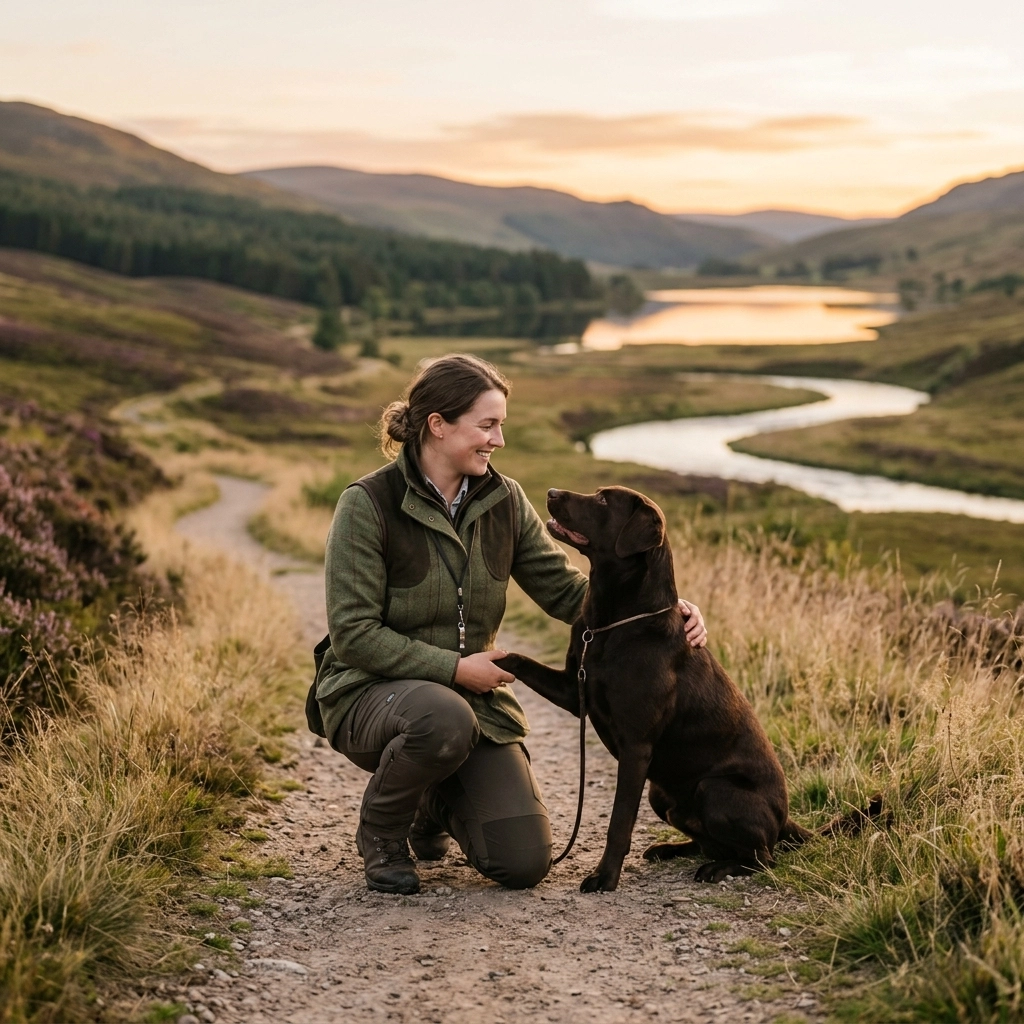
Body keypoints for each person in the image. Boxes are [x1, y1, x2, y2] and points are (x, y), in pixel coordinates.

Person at [316, 354, 708, 895]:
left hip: (470, 707)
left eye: (501, 425)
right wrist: (455, 669)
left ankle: (431, 804)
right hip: (369, 694)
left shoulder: (505, 500)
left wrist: (660, 611)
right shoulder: (367, 504)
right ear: (438, 425)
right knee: (442, 719)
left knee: (522, 862)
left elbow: (567, 591)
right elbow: (354, 634)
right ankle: (382, 834)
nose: (498, 440)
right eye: (487, 425)